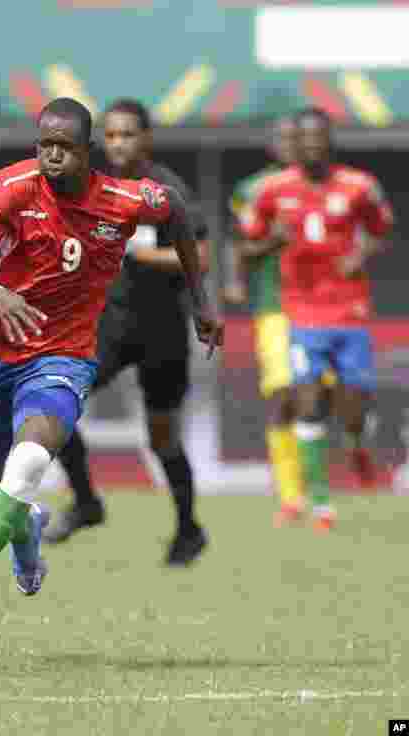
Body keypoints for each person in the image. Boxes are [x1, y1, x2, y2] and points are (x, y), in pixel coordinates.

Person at [0, 97, 223, 648]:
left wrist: (201, 302)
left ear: (86, 153)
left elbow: (175, 215)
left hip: (63, 356)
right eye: (43, 144)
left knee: (25, 463)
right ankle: (23, 523)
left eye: (63, 148)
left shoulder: (125, 197)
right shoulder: (10, 189)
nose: (50, 155)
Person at [41, 99, 211, 566]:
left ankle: (188, 529)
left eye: (128, 135)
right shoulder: (90, 186)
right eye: (111, 135)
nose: (118, 143)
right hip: (106, 326)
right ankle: (86, 501)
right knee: (53, 404)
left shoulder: (166, 189)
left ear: (147, 139)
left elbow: (199, 256)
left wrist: (138, 256)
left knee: (163, 439)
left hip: (161, 331)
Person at [240, 107, 394, 532]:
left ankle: (358, 441)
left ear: (329, 141)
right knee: (305, 402)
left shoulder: (360, 187)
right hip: (301, 313)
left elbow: (383, 229)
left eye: (317, 138)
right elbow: (247, 244)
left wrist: (361, 253)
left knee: (353, 407)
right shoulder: (272, 191)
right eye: (303, 138)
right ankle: (320, 505)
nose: (310, 145)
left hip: (350, 312)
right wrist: (272, 241)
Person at [223, 116, 307, 525]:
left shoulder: (334, 186)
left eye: (299, 138)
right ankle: (292, 497)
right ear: (273, 145)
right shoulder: (254, 190)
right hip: (274, 304)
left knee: (322, 399)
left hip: (328, 306)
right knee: (283, 396)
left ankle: (319, 484)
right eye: (285, 137)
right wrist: (236, 279)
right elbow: (240, 242)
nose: (292, 145)